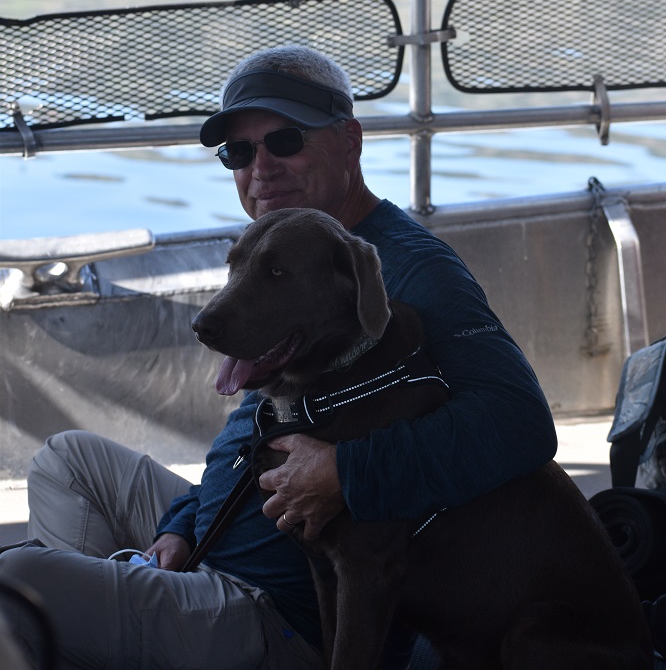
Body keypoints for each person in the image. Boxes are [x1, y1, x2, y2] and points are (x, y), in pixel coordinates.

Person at [0, 45, 557, 670]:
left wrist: (343, 472)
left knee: (18, 580)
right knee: (66, 460)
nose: (260, 168)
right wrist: (182, 522)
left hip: (273, 609)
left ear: (350, 141)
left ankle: (82, 630)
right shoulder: (277, 257)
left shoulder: (407, 270)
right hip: (215, 539)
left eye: (285, 141)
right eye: (238, 152)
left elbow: (519, 422)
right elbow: (258, 435)